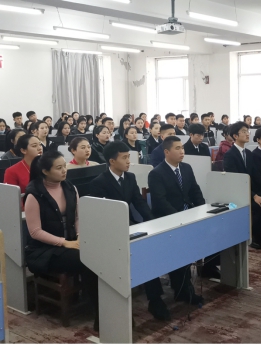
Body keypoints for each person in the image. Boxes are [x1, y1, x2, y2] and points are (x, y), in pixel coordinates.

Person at [89, 142, 171, 321]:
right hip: (109, 232)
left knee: (147, 251)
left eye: (129, 157)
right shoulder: (99, 183)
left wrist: (152, 221)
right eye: (124, 158)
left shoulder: (130, 177)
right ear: (112, 161)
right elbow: (99, 215)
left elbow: (139, 202)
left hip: (129, 226)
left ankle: (155, 300)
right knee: (138, 253)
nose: (128, 161)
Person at [23, 151, 99, 330]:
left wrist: (79, 236)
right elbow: (35, 232)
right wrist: (65, 242)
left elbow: (78, 218)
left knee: (99, 253)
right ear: (45, 171)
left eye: (64, 166)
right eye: (59, 168)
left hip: (70, 243)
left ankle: (100, 305)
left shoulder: (70, 187)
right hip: (44, 251)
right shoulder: (34, 194)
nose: (64, 170)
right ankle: (99, 313)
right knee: (88, 260)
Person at [148, 135, 217, 283]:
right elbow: (161, 202)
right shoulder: (156, 173)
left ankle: (208, 268)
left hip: (188, 214)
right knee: (183, 244)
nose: (182, 151)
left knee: (217, 231)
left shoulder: (186, 168)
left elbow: (195, 191)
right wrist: (180, 218)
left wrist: (203, 210)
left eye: (183, 148)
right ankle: (182, 283)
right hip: (169, 219)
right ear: (167, 152)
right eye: (178, 148)